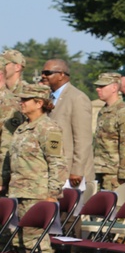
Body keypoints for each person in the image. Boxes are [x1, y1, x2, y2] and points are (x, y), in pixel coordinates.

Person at [1, 83, 68, 253]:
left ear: (39, 103)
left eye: (26, 99)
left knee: (34, 240)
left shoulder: (49, 129)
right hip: (17, 192)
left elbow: (57, 162)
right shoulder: (22, 128)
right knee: (18, 239)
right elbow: (10, 161)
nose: (21, 102)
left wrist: (52, 193)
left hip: (37, 194)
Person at [41, 58, 93, 190]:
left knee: (69, 211)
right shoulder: (48, 97)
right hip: (53, 170)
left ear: (61, 75)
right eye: (43, 72)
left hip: (71, 173)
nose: (43, 76)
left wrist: (77, 170)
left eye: (47, 73)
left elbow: (83, 138)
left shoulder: (77, 98)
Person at [92, 72, 125, 191]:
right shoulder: (104, 110)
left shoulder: (123, 111)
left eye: (102, 86)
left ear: (114, 88)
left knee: (112, 207)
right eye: (98, 86)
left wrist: (124, 174)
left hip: (114, 173)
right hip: (100, 169)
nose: (98, 89)